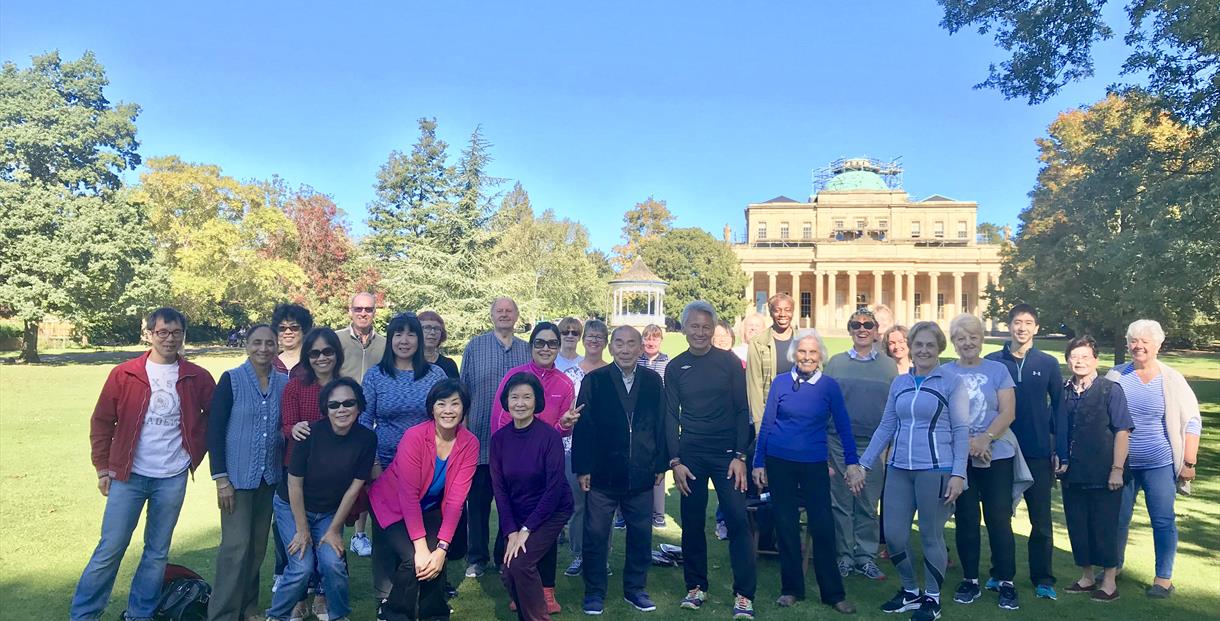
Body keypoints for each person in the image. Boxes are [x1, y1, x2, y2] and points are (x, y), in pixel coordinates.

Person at [72, 308, 217, 621]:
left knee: (156, 552)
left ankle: (140, 614)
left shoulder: (197, 376)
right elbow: (101, 422)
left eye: (176, 333)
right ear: (149, 335)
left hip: (172, 476)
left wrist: (193, 453)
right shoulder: (125, 374)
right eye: (162, 332)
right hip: (129, 475)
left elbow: (215, 418)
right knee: (110, 549)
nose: (169, 339)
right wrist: (102, 467)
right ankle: (84, 615)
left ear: (183, 336)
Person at [846, 321, 969, 621]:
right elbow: (887, 425)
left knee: (930, 536)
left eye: (930, 345)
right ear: (910, 348)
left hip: (936, 469)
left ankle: (933, 598)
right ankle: (910, 591)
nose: (923, 350)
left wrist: (959, 473)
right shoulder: (900, 383)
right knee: (896, 536)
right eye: (918, 345)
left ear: (939, 348)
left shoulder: (951, 382)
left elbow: (961, 430)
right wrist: (863, 463)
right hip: (899, 468)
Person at [752, 328, 859, 614]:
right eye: (802, 352)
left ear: (820, 356)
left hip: (813, 463)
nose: (807, 357)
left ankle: (833, 593)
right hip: (779, 460)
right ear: (794, 355)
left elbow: (844, 427)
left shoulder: (829, 387)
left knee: (823, 526)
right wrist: (758, 462)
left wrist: (851, 462)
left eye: (813, 352)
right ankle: (791, 589)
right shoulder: (780, 383)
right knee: (785, 525)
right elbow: (767, 424)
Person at [665, 301, 757, 619]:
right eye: (694, 326)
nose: (701, 332)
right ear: (684, 328)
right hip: (690, 456)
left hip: (727, 457)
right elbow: (669, 416)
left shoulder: (729, 362)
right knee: (691, 522)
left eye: (706, 326)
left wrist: (740, 455)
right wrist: (675, 461)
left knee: (737, 520)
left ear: (713, 328)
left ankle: (744, 594)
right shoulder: (675, 368)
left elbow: (741, 410)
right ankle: (696, 586)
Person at [572, 326, 668, 614]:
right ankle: (594, 591)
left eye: (631, 344)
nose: (625, 349)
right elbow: (584, 426)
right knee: (596, 534)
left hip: (641, 473)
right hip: (603, 473)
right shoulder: (595, 380)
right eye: (619, 344)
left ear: (641, 348)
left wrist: (660, 462)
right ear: (611, 348)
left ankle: (636, 588)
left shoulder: (653, 381)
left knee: (640, 534)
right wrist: (583, 467)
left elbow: (661, 423)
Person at [265, 378, 376, 621]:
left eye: (349, 403)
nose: (342, 409)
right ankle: (276, 616)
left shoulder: (367, 439)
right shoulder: (309, 434)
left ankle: (338, 615)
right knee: (301, 567)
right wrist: (302, 529)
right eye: (334, 404)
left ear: (359, 406)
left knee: (333, 563)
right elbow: (294, 483)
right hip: (292, 507)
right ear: (325, 408)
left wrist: (335, 529)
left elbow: (353, 489)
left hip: (328, 512)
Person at [1105, 319, 1202, 598]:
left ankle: (1163, 579)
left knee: (1162, 520)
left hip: (1159, 464)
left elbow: (1192, 421)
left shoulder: (1171, 379)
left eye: (1145, 341)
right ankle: (1114, 567)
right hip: (1122, 466)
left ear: (1158, 345)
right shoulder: (1115, 376)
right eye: (1134, 341)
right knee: (1118, 519)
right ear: (1127, 344)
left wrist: (1189, 462)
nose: (1138, 346)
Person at [490, 322, 581, 613]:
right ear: (530, 346)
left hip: (546, 480)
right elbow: (500, 489)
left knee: (525, 559)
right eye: (539, 343)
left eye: (552, 343)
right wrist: (511, 531)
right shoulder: (514, 378)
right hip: (517, 477)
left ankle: (540, 599)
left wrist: (525, 530)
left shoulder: (564, 384)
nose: (545, 348)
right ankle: (529, 594)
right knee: (507, 563)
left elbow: (561, 434)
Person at [369, 380, 479, 620]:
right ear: (432, 408)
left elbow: (455, 501)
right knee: (413, 559)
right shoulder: (414, 437)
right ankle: (394, 614)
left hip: (429, 507)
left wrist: (441, 549)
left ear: (464, 408)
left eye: (455, 404)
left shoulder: (470, 443)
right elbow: (407, 496)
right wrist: (421, 548)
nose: (448, 410)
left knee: (434, 558)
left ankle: (434, 614)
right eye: (442, 404)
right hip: (391, 505)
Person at [941, 313, 1026, 610]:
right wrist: (968, 444)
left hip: (996, 454)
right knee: (965, 519)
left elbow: (1008, 412)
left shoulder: (998, 370)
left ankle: (1006, 581)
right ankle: (970, 580)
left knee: (998, 518)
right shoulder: (945, 372)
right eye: (961, 338)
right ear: (954, 342)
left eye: (973, 337)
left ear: (981, 339)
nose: (968, 343)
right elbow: (942, 416)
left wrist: (985, 439)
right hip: (959, 458)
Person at [206, 324, 289, 621]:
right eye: (257, 342)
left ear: (277, 346)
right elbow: (215, 430)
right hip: (236, 480)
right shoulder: (231, 380)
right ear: (247, 345)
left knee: (256, 548)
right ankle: (222, 614)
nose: (263, 349)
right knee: (235, 548)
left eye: (269, 343)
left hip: (269, 478)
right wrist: (221, 478)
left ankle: (248, 608)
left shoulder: (284, 382)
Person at [363, 312, 449, 600]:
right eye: (398, 334)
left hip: (429, 469)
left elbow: (447, 418)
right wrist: (373, 462)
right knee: (388, 534)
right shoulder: (376, 375)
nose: (404, 340)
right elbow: (365, 421)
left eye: (411, 334)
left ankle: (427, 594)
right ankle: (385, 595)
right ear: (390, 339)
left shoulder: (435, 375)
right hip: (385, 467)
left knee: (429, 531)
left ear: (419, 338)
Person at [983, 304, 1062, 599]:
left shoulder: (1048, 363)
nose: (1022, 328)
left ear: (1036, 328)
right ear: (1009, 325)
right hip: (1001, 450)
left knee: (1040, 519)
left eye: (1028, 323)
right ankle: (1000, 572)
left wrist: (1059, 450)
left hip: (1038, 452)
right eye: (1017, 322)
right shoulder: (992, 362)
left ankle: (1043, 578)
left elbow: (1059, 409)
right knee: (998, 516)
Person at [1055, 336, 1132, 602]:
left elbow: (1122, 431)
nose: (1079, 361)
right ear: (1068, 360)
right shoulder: (1063, 391)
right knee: (1078, 526)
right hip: (1072, 474)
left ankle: (1109, 582)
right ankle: (1086, 578)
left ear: (1096, 360)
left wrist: (1117, 469)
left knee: (1105, 527)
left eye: (1085, 356)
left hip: (1105, 473)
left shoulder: (1111, 390)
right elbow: (1057, 429)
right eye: (1074, 356)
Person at [824, 309, 898, 581]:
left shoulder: (889, 366)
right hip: (839, 443)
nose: (862, 329)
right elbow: (825, 405)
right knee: (841, 502)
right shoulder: (835, 363)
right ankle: (844, 555)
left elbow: (894, 409)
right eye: (856, 325)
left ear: (876, 329)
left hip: (875, 445)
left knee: (868, 503)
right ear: (850, 329)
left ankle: (865, 557)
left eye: (868, 325)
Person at [278, 327, 346, 616]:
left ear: (336, 354)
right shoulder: (295, 386)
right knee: (298, 545)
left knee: (329, 542)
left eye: (327, 351)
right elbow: (285, 425)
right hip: (297, 473)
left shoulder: (345, 387)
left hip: (333, 478)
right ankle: (298, 598)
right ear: (307, 356)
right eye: (315, 352)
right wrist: (293, 428)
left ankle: (324, 596)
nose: (321, 358)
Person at [461, 297, 531, 578]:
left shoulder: (527, 350)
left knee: (510, 505)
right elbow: (463, 393)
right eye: (499, 311)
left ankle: (505, 555)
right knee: (477, 504)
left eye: (509, 310)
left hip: (516, 444)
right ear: (492, 316)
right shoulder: (475, 347)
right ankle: (476, 558)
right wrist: (462, 435)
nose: (504, 314)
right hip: (479, 441)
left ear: (516, 316)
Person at [561, 319, 610, 577]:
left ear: (605, 342)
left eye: (599, 337)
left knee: (604, 506)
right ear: (584, 340)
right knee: (579, 505)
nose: (594, 340)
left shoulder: (612, 372)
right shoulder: (570, 375)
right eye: (590, 336)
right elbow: (563, 411)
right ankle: (579, 554)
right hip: (573, 447)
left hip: (606, 450)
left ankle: (602, 556)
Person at [746, 294, 796, 431]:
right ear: (770, 312)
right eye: (777, 310)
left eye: (787, 309)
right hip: (771, 414)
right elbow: (754, 386)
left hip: (800, 413)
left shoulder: (804, 341)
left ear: (793, 311)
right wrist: (759, 426)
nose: (782, 314)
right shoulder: (757, 343)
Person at [638, 323, 671, 529]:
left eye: (655, 338)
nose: (651, 342)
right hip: (637, 418)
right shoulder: (636, 360)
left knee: (658, 466)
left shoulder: (667, 363)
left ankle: (658, 513)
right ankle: (624, 514)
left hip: (658, 419)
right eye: (647, 338)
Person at [339, 292, 386, 384]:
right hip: (343, 397)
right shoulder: (336, 339)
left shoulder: (385, 344)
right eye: (358, 309)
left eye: (368, 309)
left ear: (374, 312)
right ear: (350, 311)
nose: (363, 313)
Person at [272, 303, 314, 376]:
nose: (288, 332)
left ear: (304, 329)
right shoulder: (270, 364)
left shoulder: (313, 361)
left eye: (294, 327)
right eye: (282, 328)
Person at [418, 310, 459, 379]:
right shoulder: (407, 363)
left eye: (437, 328)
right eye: (427, 327)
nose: (433, 332)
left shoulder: (449, 365)